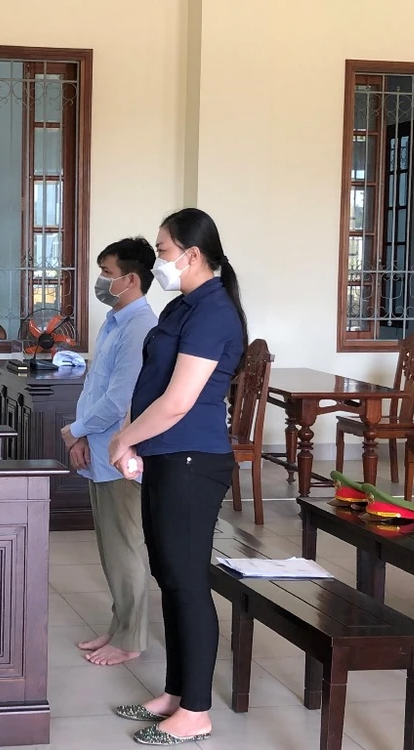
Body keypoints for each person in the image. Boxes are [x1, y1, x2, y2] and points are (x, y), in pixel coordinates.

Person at [108, 209, 248, 746]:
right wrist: (130, 435)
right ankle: (175, 693)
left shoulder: (214, 312)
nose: (159, 260)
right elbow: (150, 381)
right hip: (167, 455)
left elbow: (179, 400)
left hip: (193, 459)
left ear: (192, 254)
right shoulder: (181, 305)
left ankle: (196, 711)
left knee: (187, 581)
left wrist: (124, 440)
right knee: (169, 576)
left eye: (164, 251)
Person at [59, 237, 158, 667]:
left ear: (130, 279)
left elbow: (120, 400)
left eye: (107, 273)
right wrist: (80, 436)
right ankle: (119, 626)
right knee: (110, 547)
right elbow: (94, 386)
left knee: (126, 547)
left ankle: (131, 638)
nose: (100, 281)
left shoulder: (140, 327)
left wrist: (75, 430)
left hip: (121, 453)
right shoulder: (114, 321)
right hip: (97, 447)